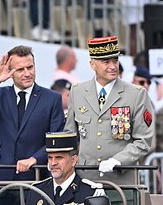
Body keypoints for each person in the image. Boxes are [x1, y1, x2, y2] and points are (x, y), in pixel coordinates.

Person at [65, 36, 155, 185]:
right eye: (106, 62)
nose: (113, 66)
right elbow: (70, 136)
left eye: (115, 60)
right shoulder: (77, 91)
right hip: (85, 179)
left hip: (121, 180)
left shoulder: (136, 94)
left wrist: (117, 160)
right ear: (92, 64)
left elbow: (143, 140)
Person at [0, 45, 65, 181]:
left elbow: (56, 138)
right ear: (10, 72)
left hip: (35, 174)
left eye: (30, 67)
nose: (27, 73)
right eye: (20, 69)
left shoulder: (52, 98)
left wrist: (35, 159)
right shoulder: (0, 94)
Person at [27, 132, 105, 205]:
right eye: (50, 158)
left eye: (59, 158)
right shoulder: (36, 191)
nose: (53, 163)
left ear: (73, 160)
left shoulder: (91, 193)